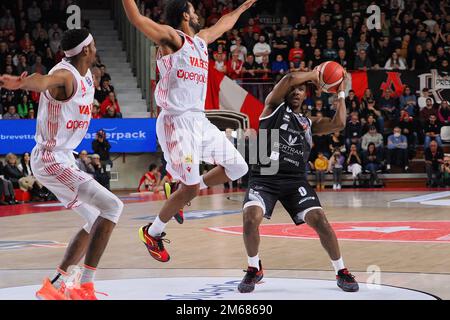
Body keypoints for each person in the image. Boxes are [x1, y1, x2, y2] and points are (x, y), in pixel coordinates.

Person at [122, 0, 253, 263]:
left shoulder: (201, 41)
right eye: (193, 11)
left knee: (238, 167)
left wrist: (241, 9)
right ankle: (153, 231)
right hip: (176, 121)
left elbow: (222, 25)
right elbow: (137, 19)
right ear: (185, 15)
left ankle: (177, 189)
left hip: (199, 120)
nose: (198, 15)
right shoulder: (172, 38)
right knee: (191, 187)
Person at [0, 28, 124, 300]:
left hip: (63, 157)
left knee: (94, 219)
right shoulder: (65, 75)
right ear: (86, 50)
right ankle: (85, 286)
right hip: (50, 158)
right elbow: (43, 80)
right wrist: (20, 84)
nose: (96, 47)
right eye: (93, 43)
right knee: (113, 206)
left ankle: (55, 285)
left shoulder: (88, 74)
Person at [239, 68, 358, 294]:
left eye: (301, 90)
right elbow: (291, 78)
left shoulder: (307, 122)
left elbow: (339, 123)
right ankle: (254, 268)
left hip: (295, 181)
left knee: (320, 220)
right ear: (284, 92)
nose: (296, 91)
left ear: (306, 95)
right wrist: (317, 73)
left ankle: (341, 271)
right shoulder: (272, 108)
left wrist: (341, 92)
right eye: (293, 89)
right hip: (264, 178)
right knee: (250, 218)